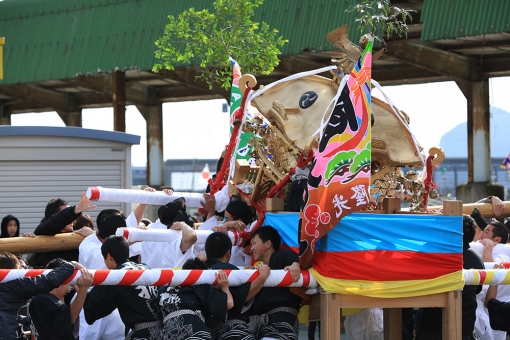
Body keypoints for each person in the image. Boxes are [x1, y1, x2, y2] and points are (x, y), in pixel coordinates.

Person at [416, 215, 484, 340]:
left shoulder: (433, 254)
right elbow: (478, 289)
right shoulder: (475, 258)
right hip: (464, 325)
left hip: (432, 326)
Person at [84, 236, 162, 340]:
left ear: (109, 257)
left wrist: (82, 289)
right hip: (165, 332)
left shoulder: (116, 276)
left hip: (144, 335)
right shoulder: (145, 267)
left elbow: (91, 308)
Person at [204, 231, 270, 340]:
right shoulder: (229, 270)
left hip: (206, 332)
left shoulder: (198, 271)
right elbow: (243, 296)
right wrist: (262, 277)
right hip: (233, 330)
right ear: (228, 253)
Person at [0, 252, 75, 340]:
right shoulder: (16, 285)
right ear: (11, 271)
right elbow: (49, 281)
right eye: (19, 269)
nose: (23, 272)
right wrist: (70, 265)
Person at [155, 257, 234, 340]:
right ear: (202, 275)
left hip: (168, 333)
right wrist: (225, 288)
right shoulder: (200, 285)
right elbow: (229, 303)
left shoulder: (162, 288)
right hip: (194, 330)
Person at [249, 226, 302, 340]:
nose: (251, 248)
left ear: (268, 244)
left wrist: (296, 264)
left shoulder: (283, 256)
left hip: (282, 325)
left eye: (254, 243)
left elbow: (302, 263)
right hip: (265, 329)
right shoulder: (258, 270)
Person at [29, 259, 94, 340]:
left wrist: (81, 290)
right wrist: (82, 290)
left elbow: (91, 306)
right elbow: (70, 317)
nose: (69, 286)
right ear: (59, 278)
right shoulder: (41, 299)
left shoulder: (39, 297)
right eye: (69, 281)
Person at [31, 193, 96, 268]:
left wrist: (93, 236)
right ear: (55, 217)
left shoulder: (79, 236)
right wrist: (76, 210)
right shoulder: (42, 232)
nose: (72, 219)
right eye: (67, 214)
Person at [141, 196, 197, 269]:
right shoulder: (178, 234)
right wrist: (181, 224)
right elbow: (192, 237)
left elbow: (140, 256)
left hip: (144, 276)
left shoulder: (149, 227)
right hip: (168, 278)